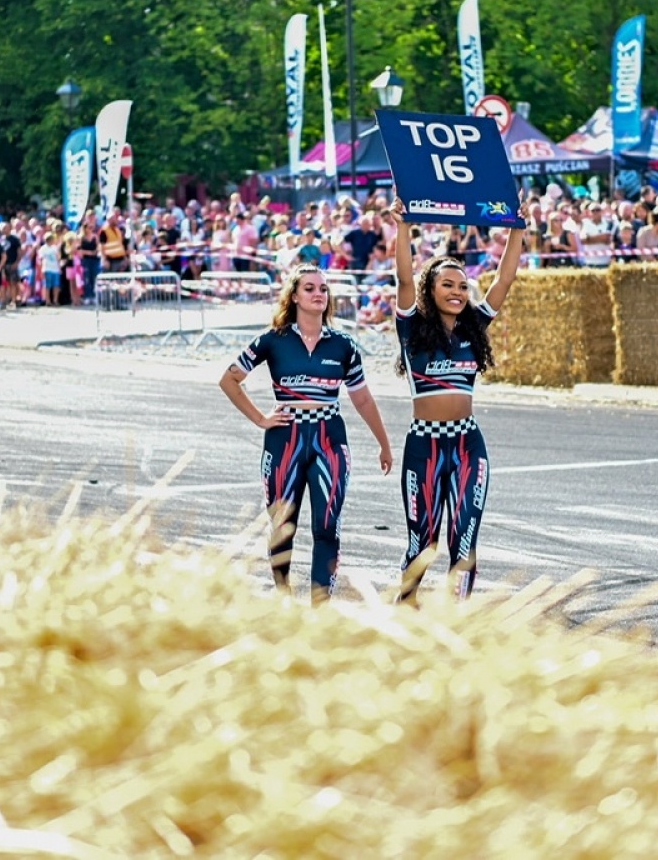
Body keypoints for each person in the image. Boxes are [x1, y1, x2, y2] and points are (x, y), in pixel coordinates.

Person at [217, 265, 394, 602]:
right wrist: (259, 418)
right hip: (285, 439)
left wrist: (383, 443)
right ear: (294, 295)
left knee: (326, 525)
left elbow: (363, 398)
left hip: (330, 438)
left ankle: (319, 605)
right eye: (310, 288)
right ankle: (282, 596)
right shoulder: (272, 340)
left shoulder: (344, 345)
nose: (318, 294)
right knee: (283, 525)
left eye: (323, 289)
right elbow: (229, 379)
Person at [383, 195, 521, 603]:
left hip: (467, 443)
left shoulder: (474, 325)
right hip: (424, 444)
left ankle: (457, 621)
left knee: (464, 540)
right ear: (431, 288)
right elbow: (404, 279)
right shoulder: (411, 327)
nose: (458, 291)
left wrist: (517, 228)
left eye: (463, 285)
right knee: (423, 544)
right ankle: (404, 610)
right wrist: (404, 226)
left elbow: (505, 280)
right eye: (448, 284)